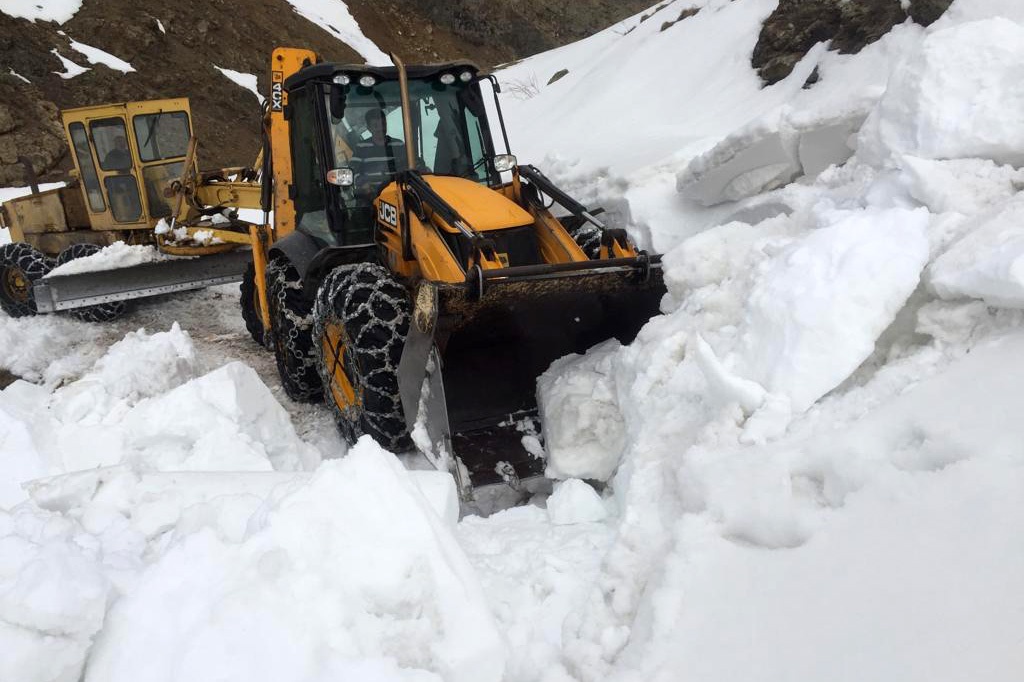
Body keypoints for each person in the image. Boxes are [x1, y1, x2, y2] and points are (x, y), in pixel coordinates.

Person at [350, 109, 407, 184]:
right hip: (371, 191)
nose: (381, 128)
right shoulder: (361, 147)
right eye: (376, 126)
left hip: (395, 189)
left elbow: (407, 168)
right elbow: (353, 171)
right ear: (369, 128)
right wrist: (363, 185)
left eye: (383, 124)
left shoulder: (399, 145)